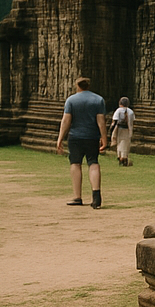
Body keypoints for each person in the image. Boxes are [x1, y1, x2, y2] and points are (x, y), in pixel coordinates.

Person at [55, 76, 107, 208]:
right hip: (92, 137)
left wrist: (60, 138)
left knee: (75, 164)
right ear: (88, 86)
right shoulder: (98, 100)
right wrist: (104, 138)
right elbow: (101, 122)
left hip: (75, 137)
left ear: (77, 86)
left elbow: (66, 121)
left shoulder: (71, 100)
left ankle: (77, 196)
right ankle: (96, 194)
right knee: (93, 163)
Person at [111, 97, 135, 166]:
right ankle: (124, 157)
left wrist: (111, 130)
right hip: (127, 130)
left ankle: (120, 156)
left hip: (119, 129)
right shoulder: (131, 112)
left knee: (119, 143)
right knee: (125, 144)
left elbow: (114, 120)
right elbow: (132, 122)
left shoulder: (118, 110)